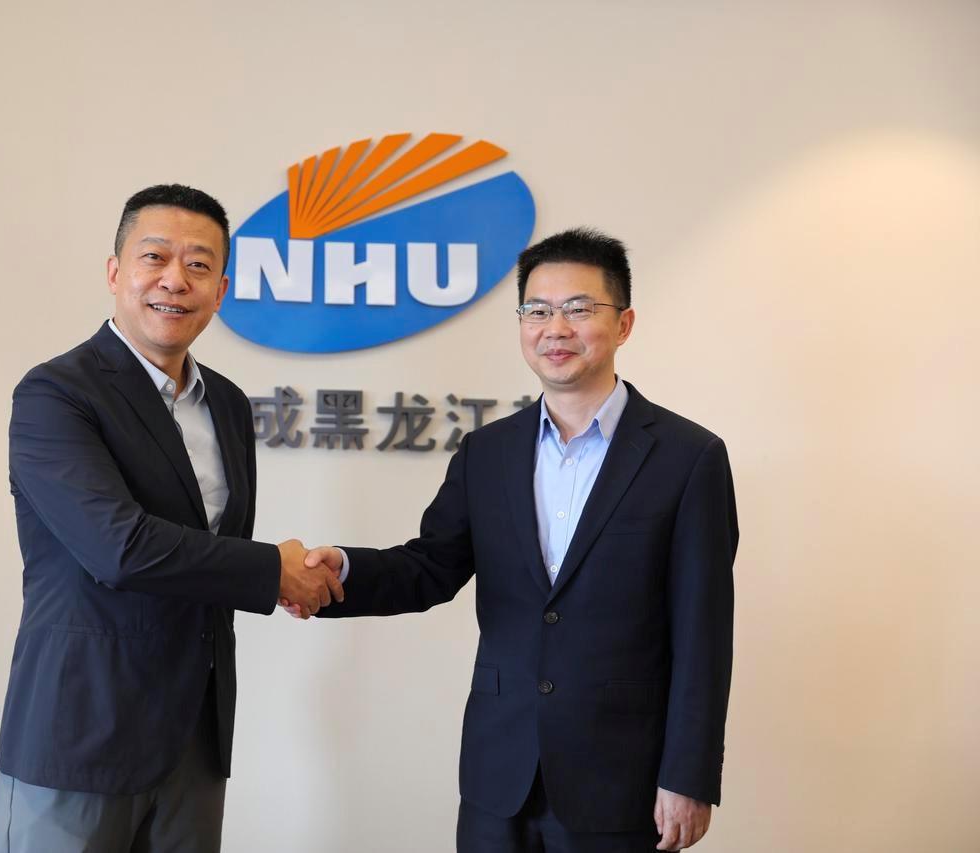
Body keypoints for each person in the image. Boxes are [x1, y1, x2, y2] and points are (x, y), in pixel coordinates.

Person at [296, 228, 738, 852]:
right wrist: (340, 569)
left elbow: (704, 632)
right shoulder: (488, 451)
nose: (555, 328)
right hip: (498, 774)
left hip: (622, 778)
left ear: (624, 323)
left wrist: (688, 775)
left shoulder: (688, 458)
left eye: (578, 309)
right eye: (537, 311)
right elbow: (430, 566)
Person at [0, 184, 341, 853]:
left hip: (194, 744)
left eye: (199, 265)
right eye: (154, 257)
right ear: (115, 271)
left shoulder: (228, 405)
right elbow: (118, 548)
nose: (175, 280)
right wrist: (273, 570)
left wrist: (285, 574)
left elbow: (209, 560)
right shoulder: (56, 394)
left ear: (221, 290)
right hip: (80, 736)